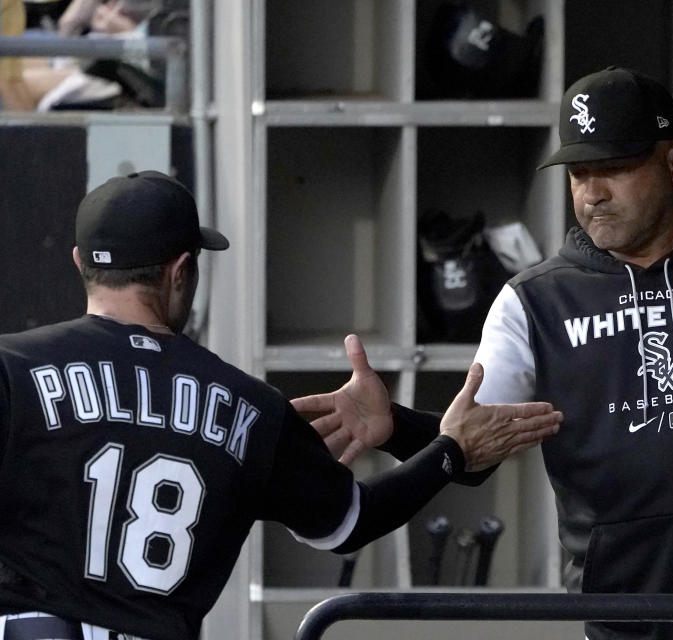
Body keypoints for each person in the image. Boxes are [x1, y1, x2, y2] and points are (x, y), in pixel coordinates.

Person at [293, 67, 673, 640]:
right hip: (622, 621)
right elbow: (475, 450)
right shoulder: (532, 302)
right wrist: (394, 426)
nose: (591, 192)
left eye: (613, 168)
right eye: (578, 173)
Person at [0, 170, 563, 640]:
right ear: (182, 270)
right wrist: (449, 451)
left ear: (79, 262)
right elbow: (353, 522)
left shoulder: (13, 369)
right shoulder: (250, 408)